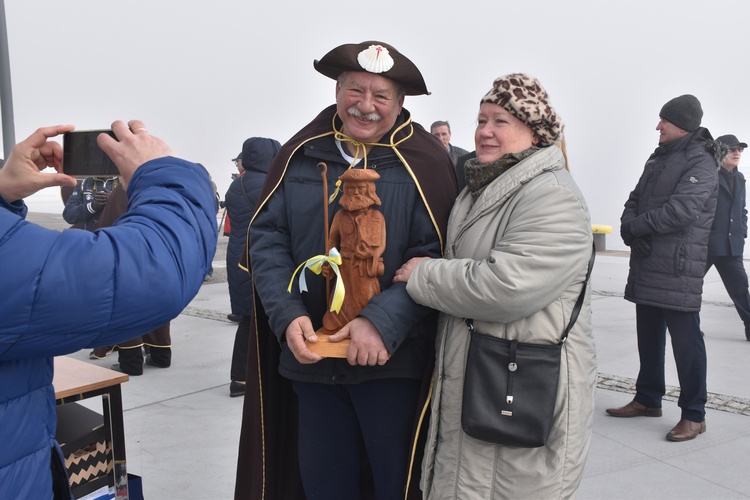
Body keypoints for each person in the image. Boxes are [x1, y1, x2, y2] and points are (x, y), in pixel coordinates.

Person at [235, 41, 457, 499]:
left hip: (393, 364)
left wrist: (380, 323)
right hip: (312, 362)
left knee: (395, 486)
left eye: (381, 97)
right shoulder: (300, 153)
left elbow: (435, 255)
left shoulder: (426, 162)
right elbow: (268, 239)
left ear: (400, 104)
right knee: (322, 485)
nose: (366, 106)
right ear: (337, 90)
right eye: (356, 90)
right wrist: (287, 313)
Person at [393, 73, 595, 499]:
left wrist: (423, 274)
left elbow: (508, 287)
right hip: (483, 375)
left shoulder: (551, 195)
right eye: (481, 119)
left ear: (535, 132)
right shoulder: (480, 189)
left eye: (500, 121)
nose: (485, 131)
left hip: (520, 387)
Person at [0, 121, 217, 498]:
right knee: (127, 321)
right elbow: (151, 273)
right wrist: (165, 173)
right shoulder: (91, 187)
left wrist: (2, 196)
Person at [606, 94, 720, 443]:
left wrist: (635, 228)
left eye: (663, 121)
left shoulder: (700, 162)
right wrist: (628, 226)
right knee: (649, 336)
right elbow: (634, 199)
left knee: (687, 343)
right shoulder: (658, 159)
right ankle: (648, 398)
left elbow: (680, 212)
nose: (658, 126)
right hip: (648, 261)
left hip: (677, 267)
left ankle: (694, 415)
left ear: (681, 124)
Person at [225, 137, 280, 396]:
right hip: (261, 255)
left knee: (247, 320)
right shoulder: (271, 184)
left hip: (238, 257)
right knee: (273, 316)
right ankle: (261, 375)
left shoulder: (235, 187)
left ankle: (240, 379)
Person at [704, 134, 750, 341]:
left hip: (732, 246)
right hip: (707, 245)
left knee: (741, 288)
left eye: (740, 149)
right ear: (720, 151)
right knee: (691, 287)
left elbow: (742, 209)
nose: (737, 152)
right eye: (732, 149)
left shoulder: (740, 178)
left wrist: (743, 231)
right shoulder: (708, 174)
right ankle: (689, 328)